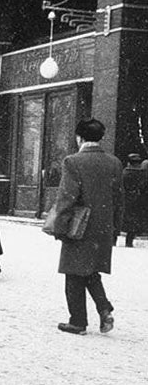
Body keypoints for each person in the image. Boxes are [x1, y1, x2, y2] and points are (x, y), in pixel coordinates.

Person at [54, 119, 123, 335]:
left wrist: (60, 226)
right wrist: (115, 229)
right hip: (103, 227)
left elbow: (67, 197)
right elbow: (119, 199)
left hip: (79, 226)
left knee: (73, 273)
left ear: (80, 138)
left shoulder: (73, 162)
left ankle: (78, 321)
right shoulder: (114, 163)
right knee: (90, 271)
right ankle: (104, 309)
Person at [121, 153, 147, 247]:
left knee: (125, 219)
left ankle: (114, 240)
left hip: (126, 199)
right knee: (135, 221)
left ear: (129, 162)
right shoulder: (143, 174)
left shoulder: (124, 173)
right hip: (139, 200)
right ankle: (129, 240)